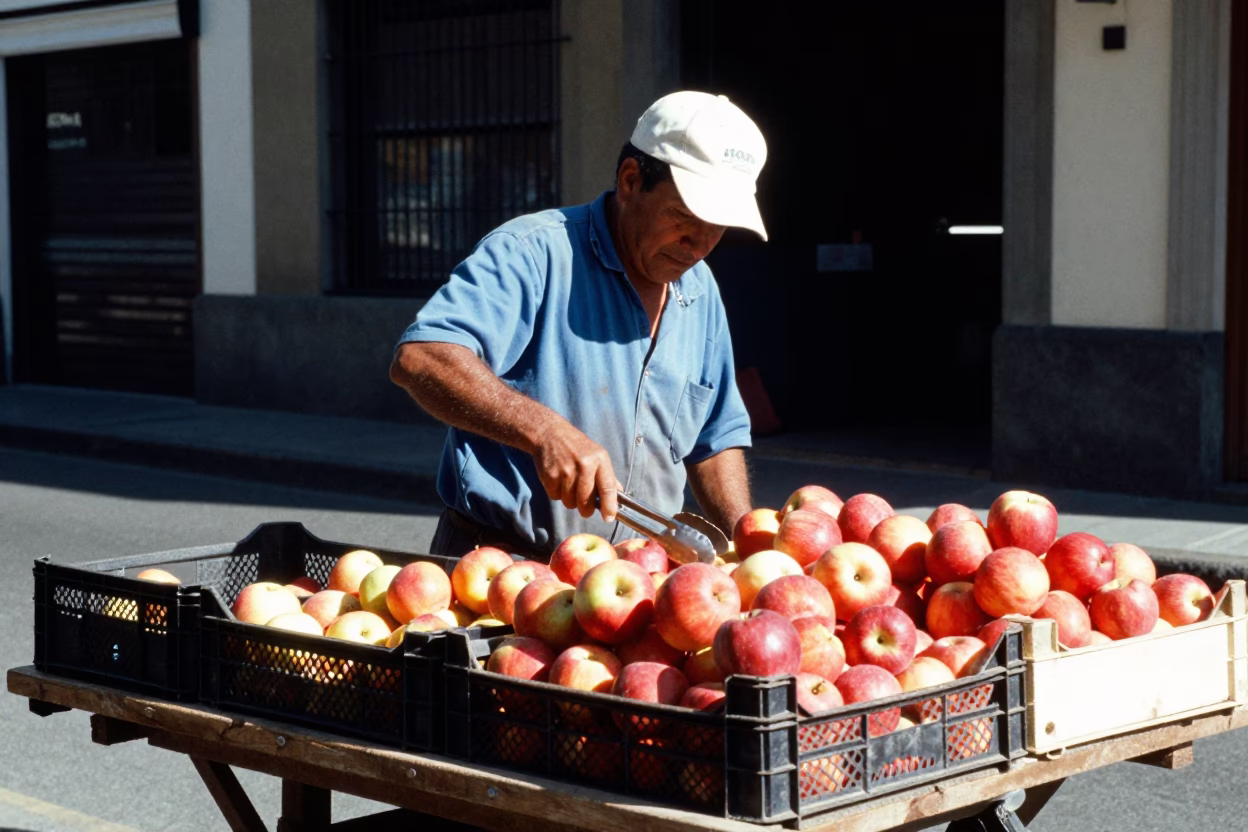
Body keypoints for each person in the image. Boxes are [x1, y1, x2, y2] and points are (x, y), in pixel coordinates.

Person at [389, 91, 768, 559]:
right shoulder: (531, 253)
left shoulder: (700, 289)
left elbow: (715, 438)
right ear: (631, 181)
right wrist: (544, 430)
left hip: (634, 583)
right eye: (685, 218)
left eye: (718, 228)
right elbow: (422, 358)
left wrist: (749, 548)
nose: (700, 245)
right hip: (503, 566)